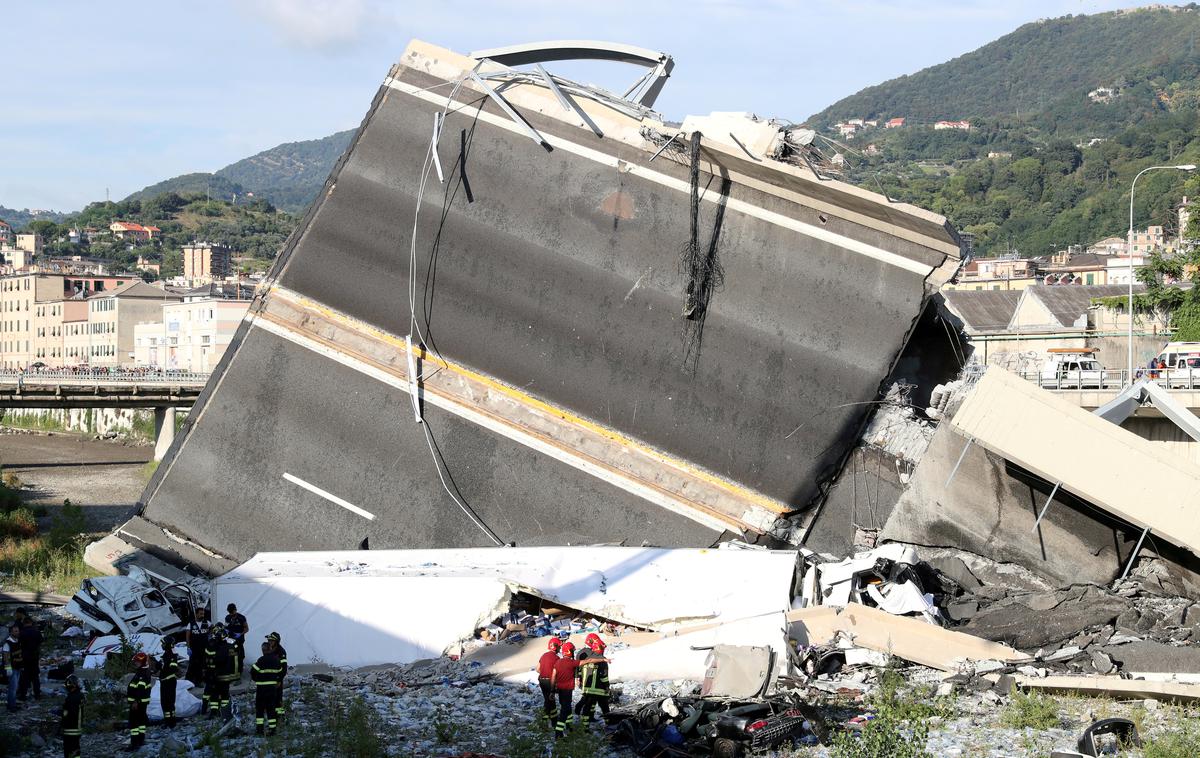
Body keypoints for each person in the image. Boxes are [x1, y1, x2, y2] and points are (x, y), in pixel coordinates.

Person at [575, 633, 611, 728]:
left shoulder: (587, 658)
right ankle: (609, 725)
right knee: (605, 707)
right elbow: (604, 677)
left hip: (588, 688)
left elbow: (580, 668)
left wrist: (579, 679)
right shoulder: (602, 660)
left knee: (588, 706)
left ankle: (585, 726)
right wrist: (607, 687)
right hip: (599, 689)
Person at [250, 641, 282, 736]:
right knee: (271, 709)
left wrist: (257, 679)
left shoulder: (261, 660)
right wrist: (276, 680)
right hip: (272, 689)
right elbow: (280, 672)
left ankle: (260, 730)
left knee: (260, 709)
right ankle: (272, 730)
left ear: (263, 650)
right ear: (270, 649)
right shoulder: (276, 660)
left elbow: (253, 671)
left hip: (261, 689)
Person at [551, 641, 580, 738]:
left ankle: (569, 726)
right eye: (572, 651)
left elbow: (553, 676)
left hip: (560, 690)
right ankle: (558, 732)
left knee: (567, 709)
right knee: (564, 710)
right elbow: (586, 662)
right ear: (569, 651)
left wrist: (552, 690)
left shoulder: (558, 662)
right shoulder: (571, 662)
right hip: (567, 690)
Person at [208, 627, 237, 721]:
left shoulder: (219, 648)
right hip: (227, 676)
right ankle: (224, 712)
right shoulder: (231, 646)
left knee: (214, 693)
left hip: (218, 675)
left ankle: (214, 712)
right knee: (225, 694)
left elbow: (217, 660)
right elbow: (235, 661)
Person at [126, 652, 152, 751]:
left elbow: (140, 689)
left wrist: (135, 701)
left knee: (134, 724)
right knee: (141, 722)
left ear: (142, 662)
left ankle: (134, 744)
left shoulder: (141, 673)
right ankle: (140, 741)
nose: (135, 663)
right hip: (142, 703)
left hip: (138, 703)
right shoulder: (144, 670)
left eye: (137, 661)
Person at [536, 637, 562, 726]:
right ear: (556, 647)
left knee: (547, 700)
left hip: (542, 681)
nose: (560, 648)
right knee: (551, 701)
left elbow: (537, 669)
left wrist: (544, 673)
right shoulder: (557, 658)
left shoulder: (543, 655)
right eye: (559, 646)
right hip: (550, 682)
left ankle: (549, 719)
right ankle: (552, 721)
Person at [203, 622, 226, 718]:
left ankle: (210, 711)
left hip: (212, 672)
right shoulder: (221, 645)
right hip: (216, 672)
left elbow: (207, 657)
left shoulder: (212, 643)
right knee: (217, 692)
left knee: (212, 692)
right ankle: (217, 711)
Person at [18, 615, 43, 700]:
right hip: (34, 657)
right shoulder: (36, 632)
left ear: (24, 623)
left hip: (24, 657)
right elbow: (41, 641)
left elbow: (18, 645)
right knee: (35, 677)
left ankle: (23, 695)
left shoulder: (21, 633)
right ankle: (37, 694)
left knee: (24, 677)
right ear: (31, 623)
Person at [185, 607, 211, 686]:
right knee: (193, 664)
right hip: (194, 648)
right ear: (196, 614)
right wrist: (188, 647)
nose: (202, 615)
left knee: (203, 664)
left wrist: (210, 637)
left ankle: (200, 681)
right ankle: (189, 681)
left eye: (203, 614)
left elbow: (213, 629)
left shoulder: (207, 623)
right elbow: (187, 637)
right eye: (200, 614)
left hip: (204, 648)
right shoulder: (191, 624)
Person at [265, 632, 287, 724]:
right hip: (269, 679)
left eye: (271, 640)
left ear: (276, 641)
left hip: (277, 678)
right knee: (270, 698)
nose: (269, 642)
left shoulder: (281, 652)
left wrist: (279, 680)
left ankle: (280, 716)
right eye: (269, 640)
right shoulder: (269, 650)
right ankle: (272, 714)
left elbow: (284, 668)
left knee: (278, 698)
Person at [61, 674, 83, 758]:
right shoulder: (81, 696)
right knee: (76, 748)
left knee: (68, 749)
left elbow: (66, 714)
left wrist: (62, 724)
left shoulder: (70, 698)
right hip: (78, 728)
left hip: (69, 728)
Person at [224, 604, 248, 679]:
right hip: (230, 641)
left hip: (239, 640)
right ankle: (232, 672)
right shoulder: (228, 617)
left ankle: (239, 673)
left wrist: (240, 634)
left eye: (232, 612)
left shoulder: (241, 618)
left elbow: (246, 628)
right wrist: (226, 630)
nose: (231, 614)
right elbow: (226, 626)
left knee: (240, 657)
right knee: (231, 656)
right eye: (230, 612)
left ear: (235, 610)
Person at [158, 645, 180, 728]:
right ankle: (167, 721)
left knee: (170, 702)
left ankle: (172, 721)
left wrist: (163, 667)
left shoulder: (172, 656)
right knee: (164, 702)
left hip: (169, 681)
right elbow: (160, 667)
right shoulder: (165, 655)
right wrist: (158, 665)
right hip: (163, 681)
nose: (162, 645)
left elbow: (173, 668)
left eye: (163, 644)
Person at [3, 623, 23, 713]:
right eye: (15, 631)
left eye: (18, 631)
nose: (17, 632)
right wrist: (8, 668)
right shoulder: (7, 643)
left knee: (15, 687)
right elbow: (6, 656)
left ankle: (11, 704)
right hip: (12, 668)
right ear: (11, 632)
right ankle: (11, 706)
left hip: (18, 667)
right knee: (13, 688)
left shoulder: (17, 641)